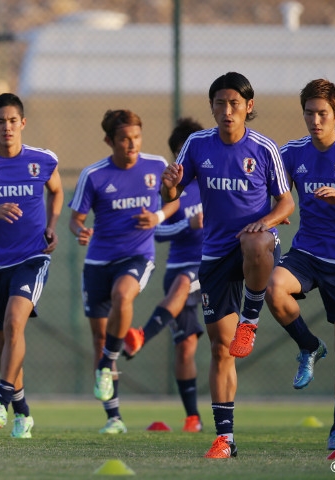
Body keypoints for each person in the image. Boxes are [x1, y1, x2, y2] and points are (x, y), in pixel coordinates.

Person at [161, 72, 295, 458]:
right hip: (215, 256)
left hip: (257, 247)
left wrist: (265, 221)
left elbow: (286, 203)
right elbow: (170, 190)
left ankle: (249, 321)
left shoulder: (264, 148)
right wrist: (170, 183)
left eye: (234, 103)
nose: (226, 110)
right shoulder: (196, 144)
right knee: (221, 349)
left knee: (254, 241)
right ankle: (225, 438)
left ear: (248, 107)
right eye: (219, 103)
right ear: (212, 107)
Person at [265, 79, 335, 451]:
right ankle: (308, 346)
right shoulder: (292, 153)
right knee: (273, 288)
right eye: (309, 113)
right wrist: (274, 214)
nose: (315, 120)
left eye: (322, 114)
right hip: (308, 254)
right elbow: (273, 192)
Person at [69, 109, 167, 434]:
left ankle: (108, 361)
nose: (132, 144)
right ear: (109, 141)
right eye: (124, 139)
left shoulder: (157, 167)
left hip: (137, 255)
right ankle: (114, 418)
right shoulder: (94, 175)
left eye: (136, 137)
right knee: (100, 336)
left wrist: (158, 217)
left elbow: (179, 199)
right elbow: (76, 219)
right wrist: (80, 231)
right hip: (98, 263)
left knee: (123, 295)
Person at [0, 93, 63, 438]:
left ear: (22, 123)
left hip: (32, 257)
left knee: (15, 323)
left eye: (13, 121)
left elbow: (56, 191)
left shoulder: (42, 160)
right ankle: (23, 412)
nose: (7, 127)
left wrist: (53, 223)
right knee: (5, 341)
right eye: (1, 121)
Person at [122, 117, 205, 433]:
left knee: (222, 347)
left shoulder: (215, 181)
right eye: (182, 153)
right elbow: (157, 231)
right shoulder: (170, 189)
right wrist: (188, 224)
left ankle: (142, 334)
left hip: (212, 269)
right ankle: (192, 417)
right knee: (185, 347)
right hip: (179, 270)